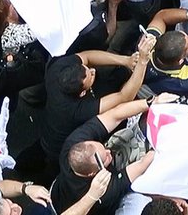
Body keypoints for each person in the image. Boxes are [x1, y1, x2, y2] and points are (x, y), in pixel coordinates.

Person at [39, 35, 155, 180]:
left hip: (48, 125)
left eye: (87, 70)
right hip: (58, 145)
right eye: (90, 76)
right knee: (51, 169)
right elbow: (124, 96)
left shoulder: (58, 68)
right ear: (82, 93)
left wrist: (125, 61)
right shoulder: (75, 110)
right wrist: (142, 61)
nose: (93, 71)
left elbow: (86, 56)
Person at [51, 95, 173, 215]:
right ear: (93, 173)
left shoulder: (73, 146)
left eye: (103, 147)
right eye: (106, 158)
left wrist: (151, 102)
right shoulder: (103, 190)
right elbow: (143, 164)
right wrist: (160, 143)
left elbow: (114, 115)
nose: (109, 152)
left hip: (56, 193)